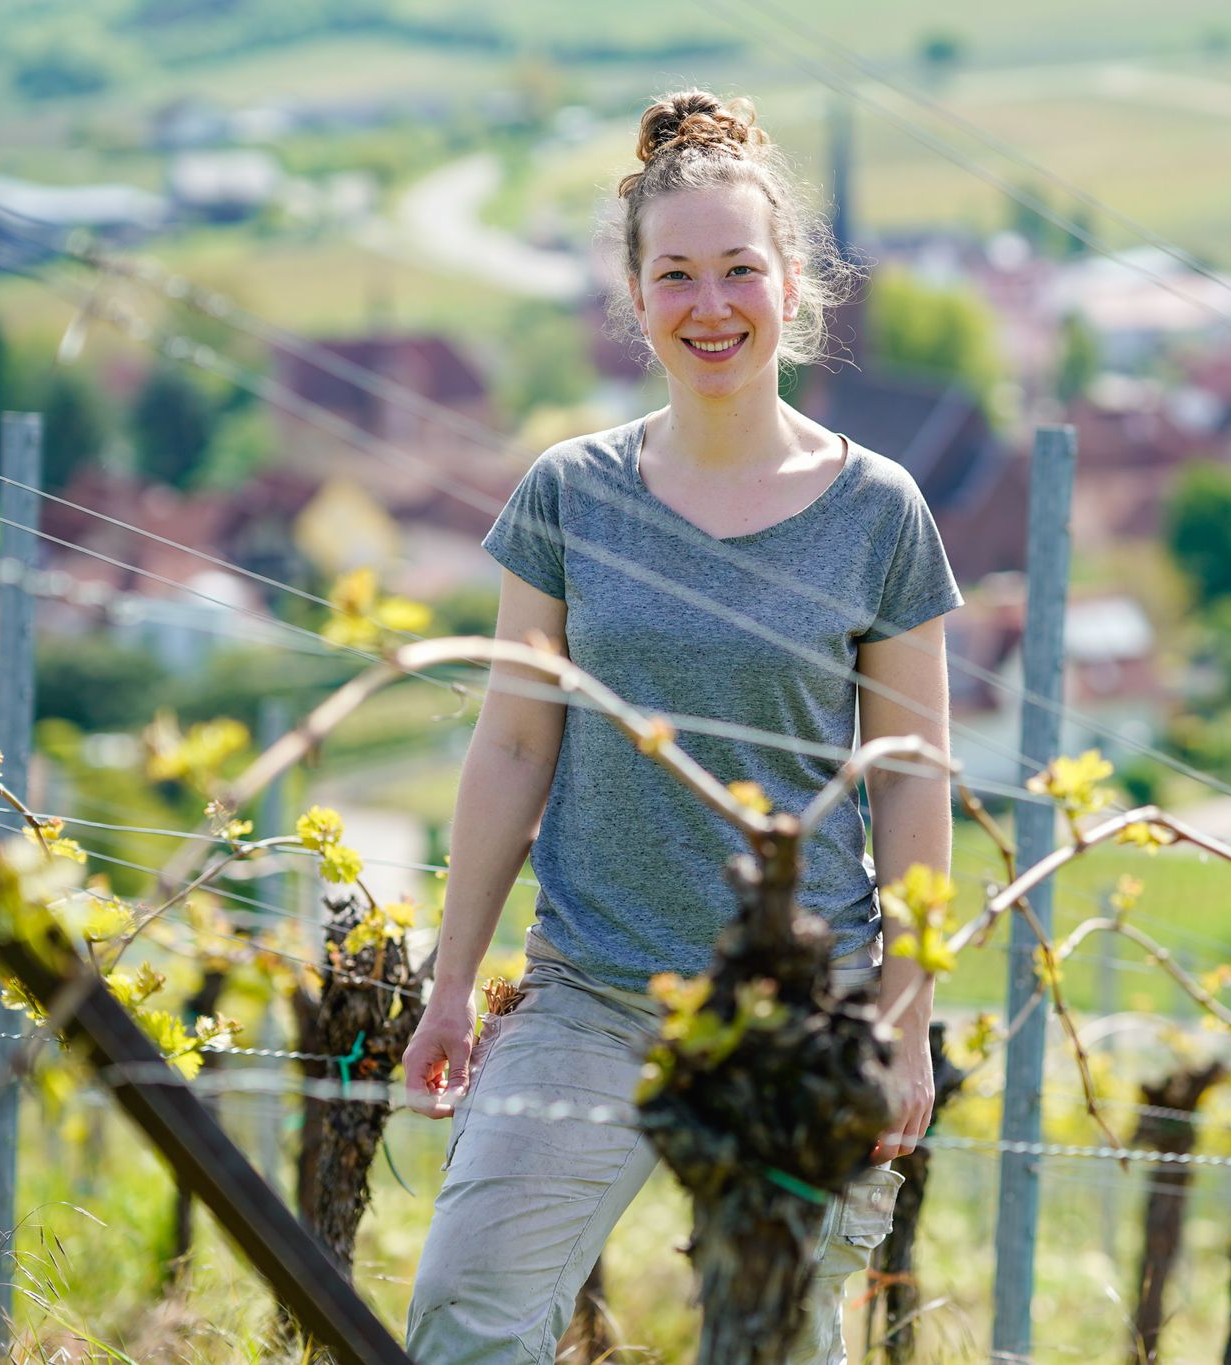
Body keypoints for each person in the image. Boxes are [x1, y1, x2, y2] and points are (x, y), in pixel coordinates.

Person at [401, 89, 961, 1364]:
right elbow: (510, 746)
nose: (711, 305)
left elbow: (913, 782)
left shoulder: (880, 512)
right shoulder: (567, 494)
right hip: (588, 988)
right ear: (635, 296)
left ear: (793, 282)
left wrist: (905, 1018)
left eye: (738, 270)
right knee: (466, 1317)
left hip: (799, 1012)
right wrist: (448, 986)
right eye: (676, 275)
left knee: (774, 1344)